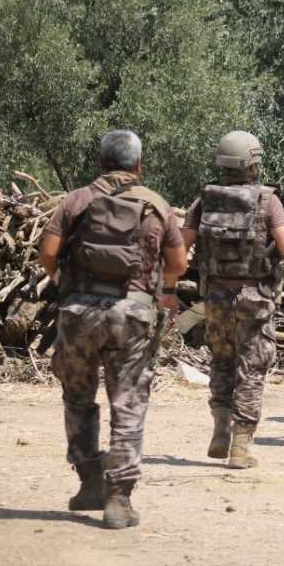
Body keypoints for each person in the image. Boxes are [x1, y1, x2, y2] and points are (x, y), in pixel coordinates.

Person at [39, 130, 188, 529]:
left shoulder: (76, 201)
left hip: (78, 313)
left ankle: (89, 481)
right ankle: (119, 499)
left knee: (78, 398)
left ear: (102, 162)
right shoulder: (156, 204)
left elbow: (48, 254)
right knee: (128, 404)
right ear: (139, 164)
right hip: (131, 316)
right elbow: (178, 264)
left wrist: (68, 285)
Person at [181, 131, 284, 469]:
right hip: (255, 298)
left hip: (216, 296)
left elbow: (181, 244)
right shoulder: (267, 200)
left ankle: (220, 429)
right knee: (252, 369)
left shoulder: (204, 200)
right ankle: (241, 446)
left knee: (222, 361)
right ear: (252, 163)